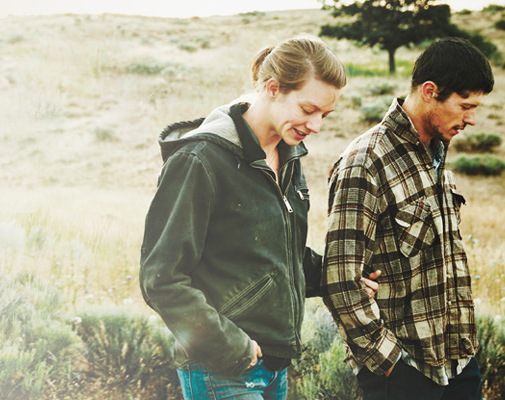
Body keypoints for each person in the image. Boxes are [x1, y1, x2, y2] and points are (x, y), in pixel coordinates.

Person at [140, 35, 375, 400]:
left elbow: (281, 257)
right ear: (273, 89)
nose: (316, 126)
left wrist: (344, 278)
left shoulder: (289, 157)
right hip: (221, 367)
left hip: (274, 366)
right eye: (308, 109)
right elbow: (161, 278)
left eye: (325, 115)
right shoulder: (200, 161)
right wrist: (233, 346)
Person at [321, 37, 492, 400]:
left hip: (459, 362)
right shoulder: (365, 161)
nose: (473, 119)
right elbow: (340, 279)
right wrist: (389, 363)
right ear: (430, 91)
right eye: (466, 106)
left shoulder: (437, 155)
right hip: (403, 371)